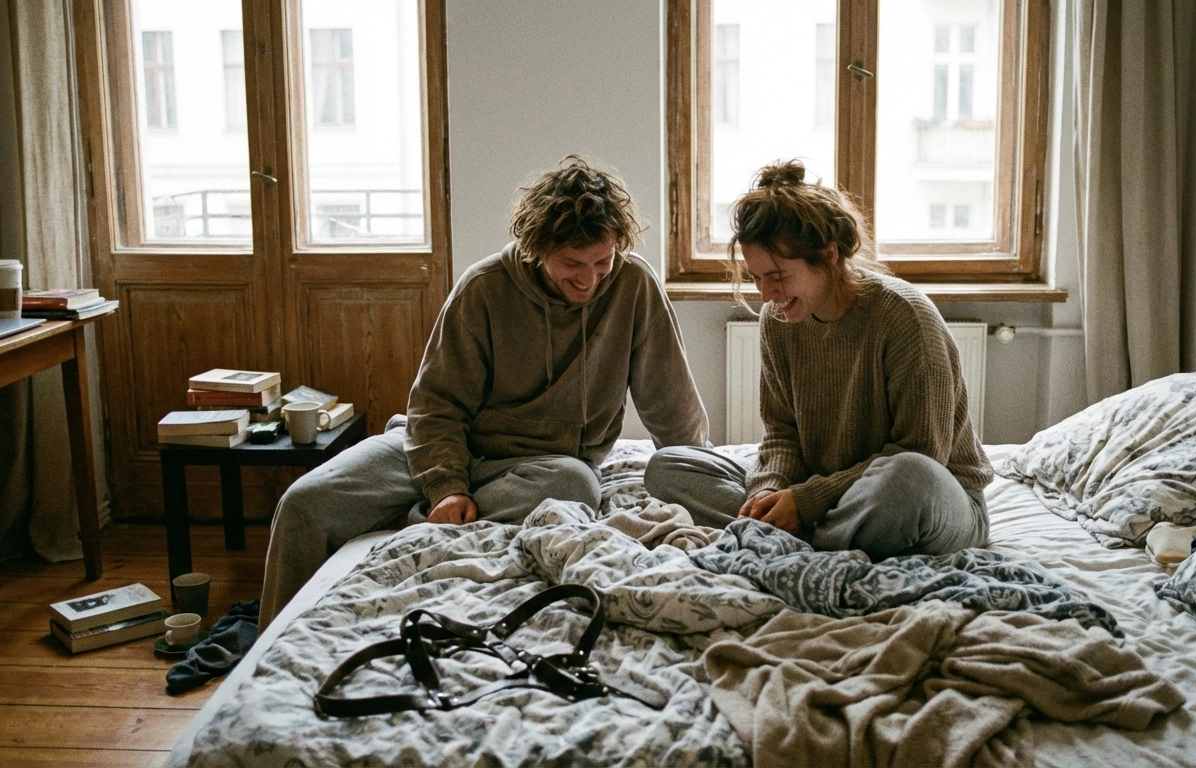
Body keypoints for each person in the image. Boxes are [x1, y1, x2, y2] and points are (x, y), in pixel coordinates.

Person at [260, 156, 710, 626]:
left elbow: (672, 403)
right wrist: (445, 486)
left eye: (603, 261)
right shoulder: (483, 287)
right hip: (440, 449)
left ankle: (408, 522)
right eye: (572, 263)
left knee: (575, 485)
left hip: (536, 468)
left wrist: (697, 475)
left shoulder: (634, 285)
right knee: (303, 504)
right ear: (536, 247)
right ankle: (266, 645)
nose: (589, 279)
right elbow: (436, 405)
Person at [644, 159, 991, 561]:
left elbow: (923, 453)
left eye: (778, 275)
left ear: (828, 256)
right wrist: (767, 493)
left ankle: (793, 542)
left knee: (909, 479)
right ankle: (804, 538)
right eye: (756, 277)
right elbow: (781, 432)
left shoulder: (905, 317)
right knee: (667, 466)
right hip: (827, 496)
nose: (766, 294)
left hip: (933, 499)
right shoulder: (779, 319)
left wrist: (806, 501)